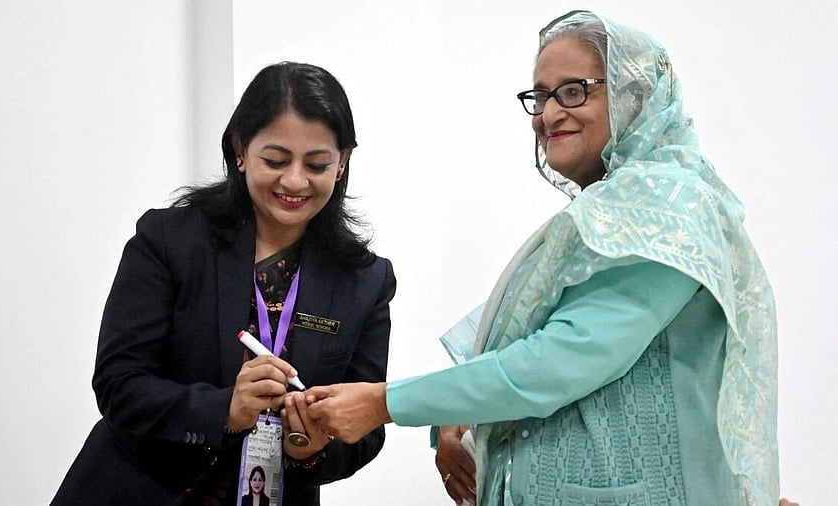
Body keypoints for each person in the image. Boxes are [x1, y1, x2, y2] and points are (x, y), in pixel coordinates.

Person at [306, 10, 782, 505]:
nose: (548, 114)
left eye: (574, 91)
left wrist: (387, 403)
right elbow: (514, 332)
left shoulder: (668, 209)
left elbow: (558, 358)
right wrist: (453, 413)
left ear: (633, 97)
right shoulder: (618, 212)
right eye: (541, 95)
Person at [51, 61, 396, 505]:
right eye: (275, 160)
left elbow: (365, 428)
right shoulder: (171, 242)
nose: (294, 180)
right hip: (140, 489)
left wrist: (312, 450)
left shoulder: (364, 280)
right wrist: (224, 411)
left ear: (343, 162)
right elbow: (119, 383)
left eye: (316, 164)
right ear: (239, 149)